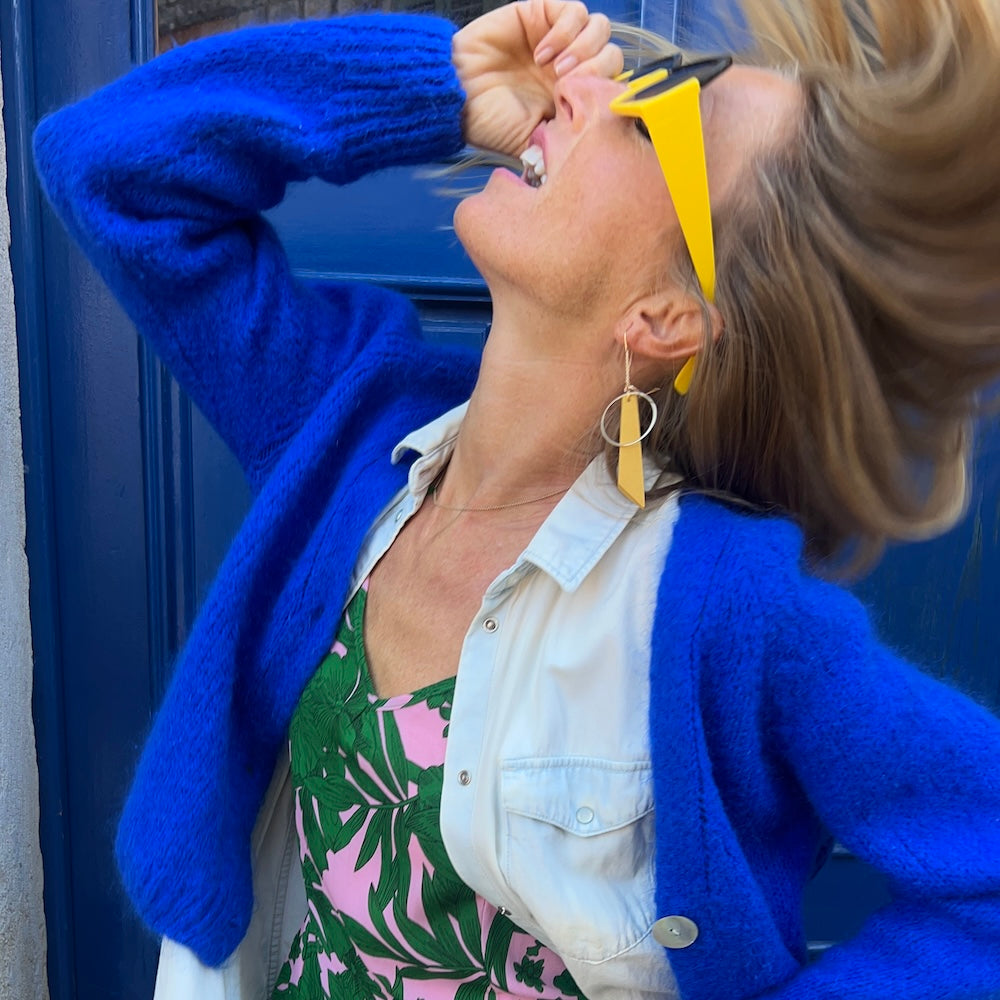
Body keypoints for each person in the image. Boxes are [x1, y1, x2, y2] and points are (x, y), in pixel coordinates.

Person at [32, 0, 1000, 997]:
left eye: (654, 116)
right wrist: (437, 89)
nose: (590, 85)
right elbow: (104, 165)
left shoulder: (724, 605)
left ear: (668, 315)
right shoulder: (342, 421)